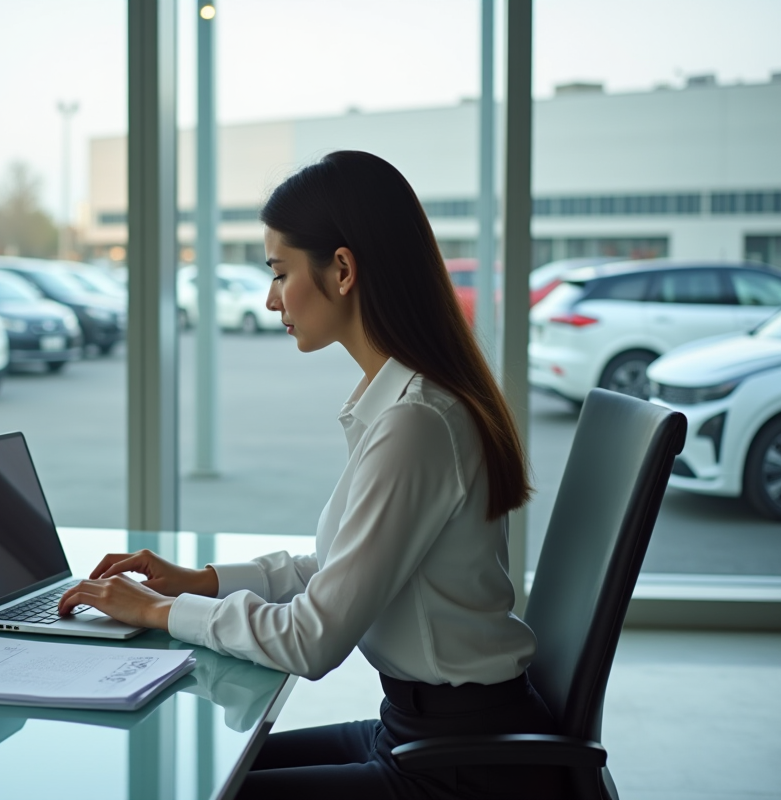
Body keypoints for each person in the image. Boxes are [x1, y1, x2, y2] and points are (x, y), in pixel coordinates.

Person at [58, 150, 564, 799]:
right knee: (200, 773)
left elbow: (311, 640)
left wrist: (159, 610)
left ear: (343, 269)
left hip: (463, 769)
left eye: (280, 272)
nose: (271, 299)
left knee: (194, 787)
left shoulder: (416, 423)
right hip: (422, 730)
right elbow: (330, 570)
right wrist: (199, 582)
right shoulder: (404, 404)